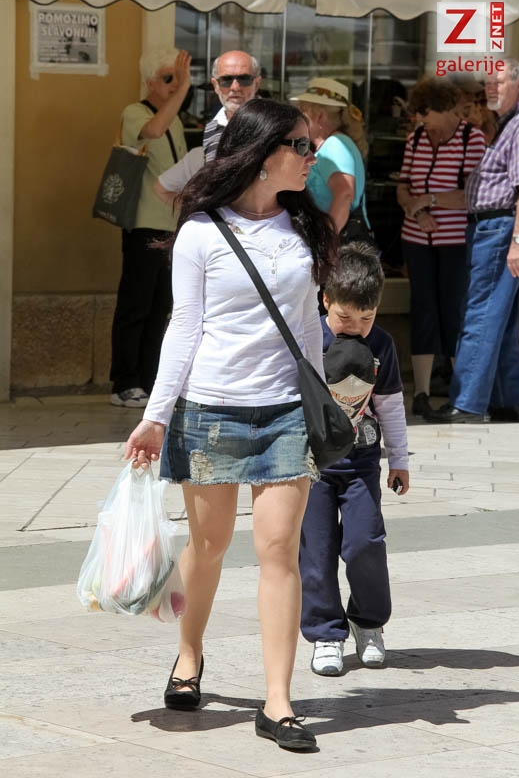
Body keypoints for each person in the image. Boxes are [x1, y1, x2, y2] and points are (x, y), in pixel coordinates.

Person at [125, 98, 337, 750]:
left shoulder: (303, 229)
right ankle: (189, 654)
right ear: (263, 153)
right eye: (300, 146)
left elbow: (308, 327)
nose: (312, 157)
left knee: (279, 551)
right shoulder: (200, 233)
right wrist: (156, 416)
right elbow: (183, 328)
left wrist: (322, 400)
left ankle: (278, 702)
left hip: (285, 413)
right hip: (210, 410)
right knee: (210, 545)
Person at [299, 242, 409, 676]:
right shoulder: (308, 337)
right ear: (326, 299)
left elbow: (391, 405)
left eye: (368, 318)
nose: (357, 328)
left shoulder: (381, 345)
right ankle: (326, 633)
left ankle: (368, 622)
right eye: (346, 317)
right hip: (313, 466)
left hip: (362, 463)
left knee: (365, 542)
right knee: (317, 550)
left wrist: (398, 459)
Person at [431, 59, 519, 423]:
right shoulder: (508, 123)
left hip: (500, 230)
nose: (491, 88)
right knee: (500, 319)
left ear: (518, 85)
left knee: (480, 314)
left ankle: (467, 403)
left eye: (499, 82)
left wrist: (518, 242)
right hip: (493, 228)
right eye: (488, 82)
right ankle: (508, 401)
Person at [396, 77, 485, 420]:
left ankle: (459, 393)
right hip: (417, 238)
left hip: (455, 241)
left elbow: (472, 195)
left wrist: (429, 200)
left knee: (452, 311)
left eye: (425, 111)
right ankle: (420, 392)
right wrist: (417, 212)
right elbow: (403, 187)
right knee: (422, 309)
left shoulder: (471, 139)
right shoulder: (416, 139)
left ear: (446, 108)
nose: (420, 118)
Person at [109, 48, 190, 408]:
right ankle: (123, 382)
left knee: (160, 308)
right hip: (144, 225)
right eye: (168, 78)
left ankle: (148, 378)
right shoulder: (135, 112)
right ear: (149, 82)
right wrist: (183, 89)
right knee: (135, 305)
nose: (175, 84)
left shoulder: (176, 119)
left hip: (172, 227)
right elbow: (153, 130)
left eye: (178, 77)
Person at [154, 50, 261, 206]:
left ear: (256, 83)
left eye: (244, 79)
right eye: (226, 80)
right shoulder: (211, 133)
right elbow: (161, 188)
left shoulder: (277, 122)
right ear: (215, 85)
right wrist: (200, 214)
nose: (235, 87)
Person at [291, 77, 369, 241]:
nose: (299, 119)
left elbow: (345, 194)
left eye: (303, 111)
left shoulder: (335, 145)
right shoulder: (334, 143)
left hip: (339, 243)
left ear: (320, 116)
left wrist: (328, 241)